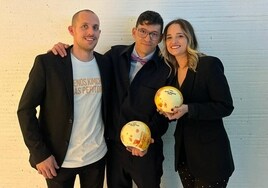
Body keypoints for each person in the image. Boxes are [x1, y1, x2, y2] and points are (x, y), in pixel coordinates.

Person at [51, 10, 173, 188]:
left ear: (161, 37)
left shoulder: (167, 69)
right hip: (113, 148)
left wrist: (147, 138)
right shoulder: (114, 56)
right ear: (134, 32)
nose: (147, 38)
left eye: (154, 34)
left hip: (146, 150)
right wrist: (63, 50)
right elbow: (85, 57)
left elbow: (165, 114)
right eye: (143, 31)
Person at [17, 9, 112, 188]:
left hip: (96, 157)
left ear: (99, 32)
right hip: (58, 160)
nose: (91, 32)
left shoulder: (105, 63)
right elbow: (25, 110)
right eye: (84, 26)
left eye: (95, 27)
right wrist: (40, 154)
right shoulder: (48, 63)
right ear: (71, 30)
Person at [160, 18, 235, 188]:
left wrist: (189, 109)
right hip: (185, 156)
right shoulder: (171, 73)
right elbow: (177, 112)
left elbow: (225, 106)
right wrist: (169, 113)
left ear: (189, 38)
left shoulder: (208, 65)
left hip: (210, 158)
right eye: (169, 37)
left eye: (180, 36)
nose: (174, 41)